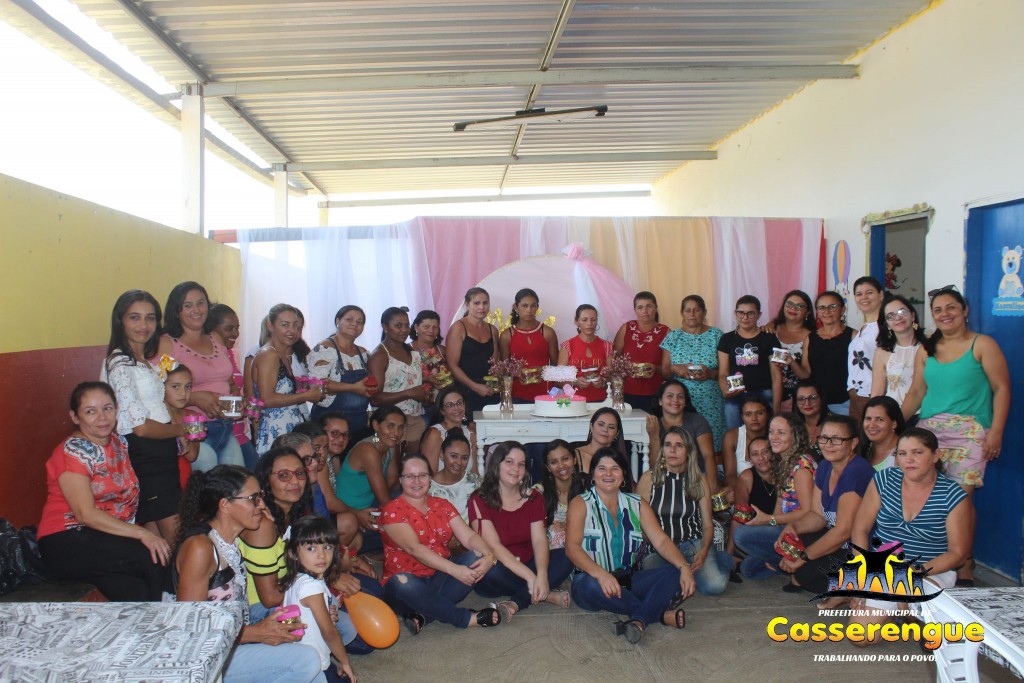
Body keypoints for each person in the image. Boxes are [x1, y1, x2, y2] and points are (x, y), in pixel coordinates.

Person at [171, 465, 323, 683]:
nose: (262, 504)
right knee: (306, 660)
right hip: (207, 654)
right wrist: (255, 633)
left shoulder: (234, 535)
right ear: (225, 505)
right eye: (253, 499)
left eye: (261, 496)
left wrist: (269, 524)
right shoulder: (200, 548)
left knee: (306, 618)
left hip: (234, 632)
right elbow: (190, 626)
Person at [902, 286, 1010, 585]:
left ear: (964, 310)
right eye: (938, 310)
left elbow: (1002, 388)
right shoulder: (926, 350)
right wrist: (893, 426)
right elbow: (916, 392)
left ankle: (964, 563)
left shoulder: (982, 344)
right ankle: (934, 558)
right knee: (928, 498)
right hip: (929, 433)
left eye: (951, 307)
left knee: (961, 500)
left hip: (970, 433)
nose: (945, 314)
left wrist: (996, 432)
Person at [37, 382, 169, 601]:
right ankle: (169, 618)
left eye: (107, 408)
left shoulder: (118, 443)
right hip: (66, 539)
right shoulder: (73, 452)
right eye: (90, 411)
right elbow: (85, 514)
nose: (102, 417)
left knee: (135, 591)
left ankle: (151, 621)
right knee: (152, 556)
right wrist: (142, 533)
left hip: (103, 538)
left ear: (117, 409)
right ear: (75, 417)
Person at [240, 447, 379, 652]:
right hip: (260, 611)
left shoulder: (294, 512)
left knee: (367, 598)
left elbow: (311, 556)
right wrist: (325, 581)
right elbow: (269, 598)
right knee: (344, 636)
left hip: (294, 590)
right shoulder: (263, 525)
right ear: (266, 480)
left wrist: (347, 565)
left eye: (299, 473)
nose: (295, 481)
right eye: (284, 475)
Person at [847, 428, 973, 643]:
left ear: (935, 455)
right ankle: (900, 609)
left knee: (931, 632)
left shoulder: (953, 495)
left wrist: (913, 574)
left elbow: (958, 553)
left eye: (917, 452)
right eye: (902, 453)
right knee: (860, 637)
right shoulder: (883, 480)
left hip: (930, 571)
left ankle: (908, 608)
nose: (909, 460)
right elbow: (860, 529)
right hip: (884, 569)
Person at [565, 448, 695, 644]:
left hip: (627, 580)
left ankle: (640, 619)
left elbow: (660, 540)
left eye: (615, 469)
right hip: (590, 580)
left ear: (623, 474)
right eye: (602, 468)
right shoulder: (580, 503)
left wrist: (684, 567)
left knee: (674, 573)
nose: (608, 474)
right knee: (590, 585)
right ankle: (657, 614)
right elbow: (572, 548)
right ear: (593, 474)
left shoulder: (637, 503)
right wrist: (601, 575)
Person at [380, 453, 504, 631]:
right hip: (405, 584)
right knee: (402, 583)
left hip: (438, 577)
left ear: (430, 478)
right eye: (410, 476)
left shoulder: (442, 505)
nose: (417, 481)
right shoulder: (392, 510)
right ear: (400, 479)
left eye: (422, 475)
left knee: (475, 557)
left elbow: (469, 537)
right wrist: (455, 570)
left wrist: (489, 555)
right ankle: (465, 618)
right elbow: (414, 549)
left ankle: (424, 616)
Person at [103, 290, 185, 540]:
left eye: (150, 318)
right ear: (120, 321)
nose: (143, 325)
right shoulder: (120, 364)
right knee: (176, 537)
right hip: (147, 454)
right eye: (134, 317)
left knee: (159, 538)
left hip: (160, 451)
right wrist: (182, 429)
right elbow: (140, 426)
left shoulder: (141, 361)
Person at [468, 442, 573, 618]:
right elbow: (494, 546)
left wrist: (542, 573)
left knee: (567, 555)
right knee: (489, 571)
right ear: (496, 465)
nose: (515, 469)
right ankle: (545, 594)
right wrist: (531, 577)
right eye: (509, 462)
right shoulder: (479, 499)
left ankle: (517, 602)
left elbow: (539, 540)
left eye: (521, 464)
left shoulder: (533, 497)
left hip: (528, 561)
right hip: (499, 567)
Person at [778, 415, 874, 596]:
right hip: (838, 542)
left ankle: (850, 591)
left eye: (836, 439)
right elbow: (817, 515)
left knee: (805, 569)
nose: (828, 445)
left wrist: (803, 557)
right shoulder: (824, 466)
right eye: (824, 438)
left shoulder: (856, 471)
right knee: (795, 541)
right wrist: (793, 528)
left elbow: (844, 531)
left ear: (853, 443)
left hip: (861, 549)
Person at [158, 281, 244, 469]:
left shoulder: (215, 339)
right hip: (193, 433)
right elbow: (158, 391)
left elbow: (229, 381)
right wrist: (195, 398)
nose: (196, 310)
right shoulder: (168, 346)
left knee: (237, 481)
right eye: (188, 305)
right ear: (177, 310)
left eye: (201, 303)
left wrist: (236, 400)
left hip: (224, 428)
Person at [636, 428, 733, 596]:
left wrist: (703, 552)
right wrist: (667, 550)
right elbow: (639, 524)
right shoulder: (648, 479)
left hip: (691, 543)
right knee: (667, 586)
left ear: (689, 451)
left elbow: (707, 525)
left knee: (714, 585)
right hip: (657, 548)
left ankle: (724, 559)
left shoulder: (699, 480)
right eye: (668, 445)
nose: (672, 450)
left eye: (679, 445)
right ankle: (691, 570)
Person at [732, 413, 815, 580]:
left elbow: (808, 512)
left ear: (795, 435)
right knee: (749, 569)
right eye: (771, 432)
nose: (774, 437)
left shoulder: (801, 467)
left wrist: (769, 520)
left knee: (741, 535)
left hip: (802, 532)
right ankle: (783, 561)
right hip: (784, 527)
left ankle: (796, 561)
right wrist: (772, 525)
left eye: (781, 433)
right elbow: (780, 501)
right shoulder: (783, 462)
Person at [280, 516, 358, 683]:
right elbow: (329, 632)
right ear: (293, 553)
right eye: (311, 548)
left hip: (299, 656)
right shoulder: (312, 588)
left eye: (327, 547)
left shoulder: (297, 579)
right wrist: (344, 661)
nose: (321, 555)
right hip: (314, 664)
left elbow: (290, 615)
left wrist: (323, 613)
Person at [253, 304, 322, 454]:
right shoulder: (268, 355)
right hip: (276, 429)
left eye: (296, 326)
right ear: (270, 325)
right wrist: (306, 396)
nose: (292, 331)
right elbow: (267, 399)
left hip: (289, 427)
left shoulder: (283, 355)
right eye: (285, 325)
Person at [660, 294, 725, 451]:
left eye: (697, 310)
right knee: (683, 445)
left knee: (710, 446)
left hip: (711, 402)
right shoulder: (673, 337)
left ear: (704, 312)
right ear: (682, 313)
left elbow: (726, 371)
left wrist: (710, 374)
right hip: (680, 403)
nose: (692, 314)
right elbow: (664, 372)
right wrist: (675, 368)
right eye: (688, 310)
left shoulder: (717, 335)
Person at [334, 406, 404, 551]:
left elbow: (392, 483)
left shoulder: (389, 445)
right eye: (390, 426)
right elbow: (384, 500)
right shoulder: (368, 450)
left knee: (403, 498)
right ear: (376, 425)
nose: (396, 433)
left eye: (400, 427)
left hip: (368, 506)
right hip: (348, 512)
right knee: (404, 526)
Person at [368, 307, 430, 454]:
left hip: (414, 419)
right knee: (392, 463)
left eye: (407, 325)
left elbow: (408, 381)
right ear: (385, 327)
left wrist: (425, 392)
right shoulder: (379, 356)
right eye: (398, 325)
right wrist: (409, 393)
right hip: (389, 422)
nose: (404, 330)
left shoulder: (412, 351)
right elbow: (374, 399)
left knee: (413, 462)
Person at [717, 295, 782, 429]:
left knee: (765, 436)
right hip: (736, 394)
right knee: (736, 435)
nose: (745, 317)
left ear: (759, 315)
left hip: (764, 393)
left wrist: (776, 410)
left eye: (750, 313)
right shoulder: (726, 339)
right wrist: (725, 390)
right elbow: (723, 373)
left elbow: (777, 376)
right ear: (735, 313)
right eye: (741, 313)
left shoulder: (770, 338)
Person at [206, 303, 258, 469]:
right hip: (218, 432)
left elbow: (233, 388)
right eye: (229, 328)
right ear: (211, 329)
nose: (235, 333)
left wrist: (243, 402)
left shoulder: (228, 352)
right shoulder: (205, 357)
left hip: (238, 431)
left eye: (237, 328)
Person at [307, 305, 372, 433]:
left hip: (358, 420)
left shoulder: (363, 353)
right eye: (349, 319)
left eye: (359, 322)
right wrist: (354, 387)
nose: (354, 324)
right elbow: (317, 385)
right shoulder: (324, 349)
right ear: (338, 321)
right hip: (329, 422)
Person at [648, 380, 717, 493]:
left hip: (696, 478)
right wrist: (654, 436)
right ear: (660, 401)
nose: (675, 400)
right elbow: (654, 465)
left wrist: (710, 490)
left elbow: (708, 456)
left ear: (685, 402)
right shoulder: (653, 424)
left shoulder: (697, 421)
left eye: (680, 397)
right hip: (664, 480)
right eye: (670, 396)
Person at [797, 291, 854, 415]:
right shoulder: (810, 338)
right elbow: (805, 374)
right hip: (816, 404)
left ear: (843, 309)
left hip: (845, 403)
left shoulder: (854, 336)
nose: (827, 312)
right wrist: (790, 361)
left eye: (832, 307)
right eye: (821, 308)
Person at [613, 291, 670, 413]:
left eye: (649, 306)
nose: (645, 311)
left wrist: (655, 368)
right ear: (635, 310)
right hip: (627, 393)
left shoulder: (665, 332)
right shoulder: (626, 328)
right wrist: (625, 369)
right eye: (640, 307)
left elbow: (668, 371)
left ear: (656, 308)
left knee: (653, 424)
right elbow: (613, 359)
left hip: (655, 393)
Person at [446, 287, 500, 416]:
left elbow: (494, 364)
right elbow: (452, 365)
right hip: (465, 391)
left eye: (485, 303)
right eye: (476, 303)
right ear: (467, 304)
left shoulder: (493, 330)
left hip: (488, 391)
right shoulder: (458, 328)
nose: (482, 307)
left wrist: (498, 384)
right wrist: (475, 386)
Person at [499, 288, 558, 403]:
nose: (529, 310)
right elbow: (504, 369)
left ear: (537, 307)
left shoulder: (548, 332)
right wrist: (517, 373)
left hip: (546, 394)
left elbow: (557, 365)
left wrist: (542, 370)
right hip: (517, 395)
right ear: (516, 307)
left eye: (533, 306)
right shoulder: (507, 335)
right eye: (524, 306)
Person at [870, 294, 927, 409]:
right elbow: (877, 394)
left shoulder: (928, 347)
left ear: (913, 315)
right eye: (890, 316)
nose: (897, 318)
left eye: (902, 312)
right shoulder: (882, 352)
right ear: (886, 324)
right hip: (895, 414)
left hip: (926, 413)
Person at [729, 436, 777, 559]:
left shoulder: (784, 473)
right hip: (757, 531)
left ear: (773, 453)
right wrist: (729, 554)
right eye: (755, 454)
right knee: (747, 567)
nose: (761, 458)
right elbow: (739, 516)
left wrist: (770, 521)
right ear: (750, 460)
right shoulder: (746, 477)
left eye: (765, 452)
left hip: (780, 527)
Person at [768, 290, 815, 411]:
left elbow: (805, 375)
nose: (793, 308)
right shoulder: (771, 329)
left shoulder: (812, 337)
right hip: (769, 392)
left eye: (800, 306)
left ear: (807, 312)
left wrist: (791, 362)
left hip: (798, 397)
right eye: (789, 304)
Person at [847, 276, 885, 422]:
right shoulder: (863, 327)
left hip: (873, 396)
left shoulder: (885, 327)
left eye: (869, 292)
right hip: (856, 397)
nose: (864, 297)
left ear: (881, 295)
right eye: (859, 294)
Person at [558, 304, 614, 402]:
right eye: (584, 320)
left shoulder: (607, 346)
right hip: (574, 402)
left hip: (602, 402)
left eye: (593, 320)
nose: (589, 323)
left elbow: (614, 377)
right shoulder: (568, 346)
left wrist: (603, 381)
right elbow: (558, 380)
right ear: (577, 321)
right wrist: (575, 382)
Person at [537, 439, 586, 552]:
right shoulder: (538, 492)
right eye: (554, 462)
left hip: (584, 548)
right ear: (548, 467)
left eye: (565, 459)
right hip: (550, 552)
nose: (561, 466)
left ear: (574, 460)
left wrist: (569, 526)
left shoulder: (587, 488)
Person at [420, 386, 478, 475]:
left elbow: (474, 474)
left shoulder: (471, 434)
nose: (456, 408)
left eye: (459, 403)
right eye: (450, 405)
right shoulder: (434, 434)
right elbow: (428, 475)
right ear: (442, 410)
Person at [428, 427, 480, 522]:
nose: (459, 462)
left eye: (464, 458)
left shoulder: (475, 482)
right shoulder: (429, 487)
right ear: (442, 455)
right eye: (453, 456)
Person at [721, 395, 771, 490]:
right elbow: (730, 476)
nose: (754, 418)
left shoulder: (775, 435)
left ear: (767, 414)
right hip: (742, 491)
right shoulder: (732, 437)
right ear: (742, 417)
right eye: (748, 414)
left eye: (759, 413)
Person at [410, 309, 451, 416]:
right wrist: (426, 379)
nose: (431, 330)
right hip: (416, 406)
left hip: (443, 406)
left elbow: (454, 373)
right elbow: (403, 380)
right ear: (416, 327)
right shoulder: (407, 350)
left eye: (435, 327)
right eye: (426, 326)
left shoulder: (442, 350)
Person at [572, 407, 625, 486]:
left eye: (611, 427)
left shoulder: (620, 458)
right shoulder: (574, 456)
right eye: (601, 424)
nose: (605, 430)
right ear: (591, 427)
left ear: (617, 433)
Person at [859, 396, 905, 471]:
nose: (872, 425)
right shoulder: (863, 448)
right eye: (868, 419)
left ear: (894, 423)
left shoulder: (904, 453)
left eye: (880, 419)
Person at [794, 379, 830, 460]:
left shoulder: (835, 424)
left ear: (821, 398)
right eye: (801, 399)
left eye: (812, 398)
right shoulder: (793, 426)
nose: (807, 403)